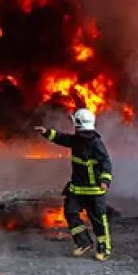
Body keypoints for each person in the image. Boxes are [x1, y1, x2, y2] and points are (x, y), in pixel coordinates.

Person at [34, 108, 114, 261]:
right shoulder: (77, 140)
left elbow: (106, 163)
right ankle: (83, 242)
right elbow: (62, 138)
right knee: (70, 212)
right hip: (77, 188)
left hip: (94, 191)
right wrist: (46, 132)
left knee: (98, 220)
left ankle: (104, 248)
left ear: (78, 124)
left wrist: (105, 181)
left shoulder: (96, 143)